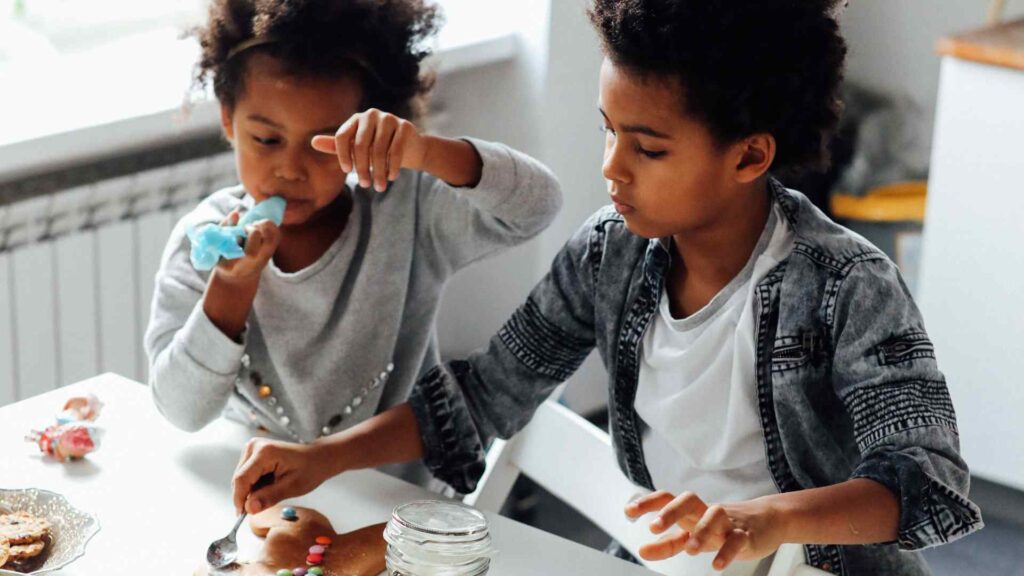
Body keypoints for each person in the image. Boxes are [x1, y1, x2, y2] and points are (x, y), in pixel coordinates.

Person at [228, 1, 982, 573]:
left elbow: (927, 480)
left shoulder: (846, 284)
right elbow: (483, 394)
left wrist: (770, 520)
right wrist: (324, 456)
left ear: (750, 156)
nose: (612, 168)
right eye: (608, 131)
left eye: (647, 148)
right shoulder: (611, 253)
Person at [144, 0, 562, 449]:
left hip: (392, 499)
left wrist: (423, 152)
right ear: (228, 119)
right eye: (267, 139)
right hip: (255, 490)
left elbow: (538, 206)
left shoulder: (408, 210)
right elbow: (180, 410)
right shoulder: (203, 240)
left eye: (322, 145)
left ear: (365, 129)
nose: (290, 168)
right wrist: (229, 291)